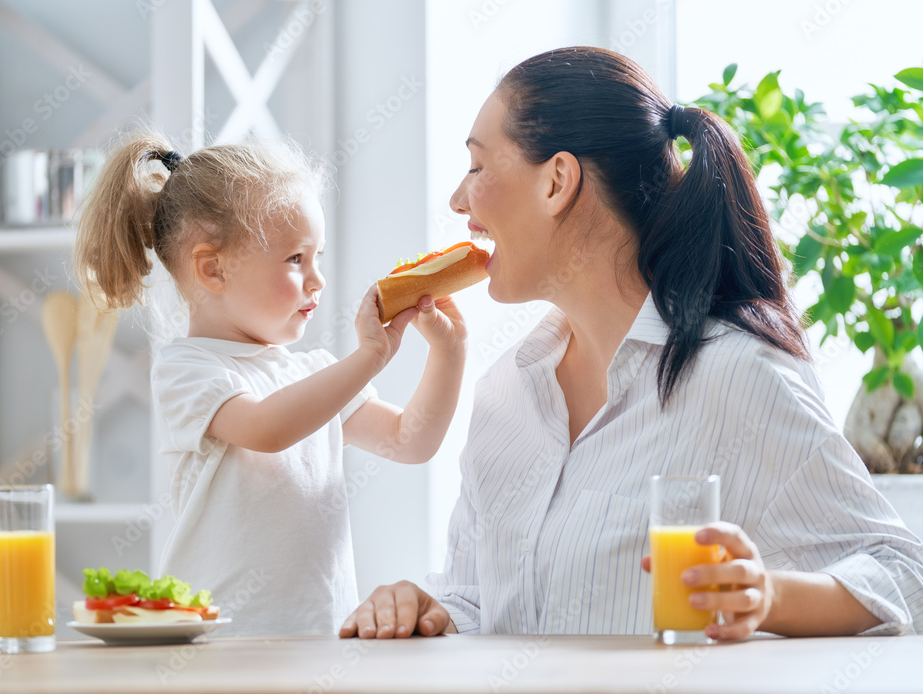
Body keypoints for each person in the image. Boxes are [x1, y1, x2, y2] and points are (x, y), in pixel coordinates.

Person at [339, 46, 923, 641]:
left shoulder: (733, 375)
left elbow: (907, 576)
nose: (458, 202)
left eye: (477, 167)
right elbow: (479, 602)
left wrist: (770, 596)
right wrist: (425, 609)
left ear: (557, 181)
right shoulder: (504, 397)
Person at [74, 134, 467, 634]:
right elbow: (266, 428)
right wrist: (368, 358)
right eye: (295, 259)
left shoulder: (312, 374)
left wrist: (450, 354)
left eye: (317, 256)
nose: (317, 279)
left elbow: (410, 441)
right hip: (223, 647)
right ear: (213, 269)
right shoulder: (186, 368)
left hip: (322, 641)